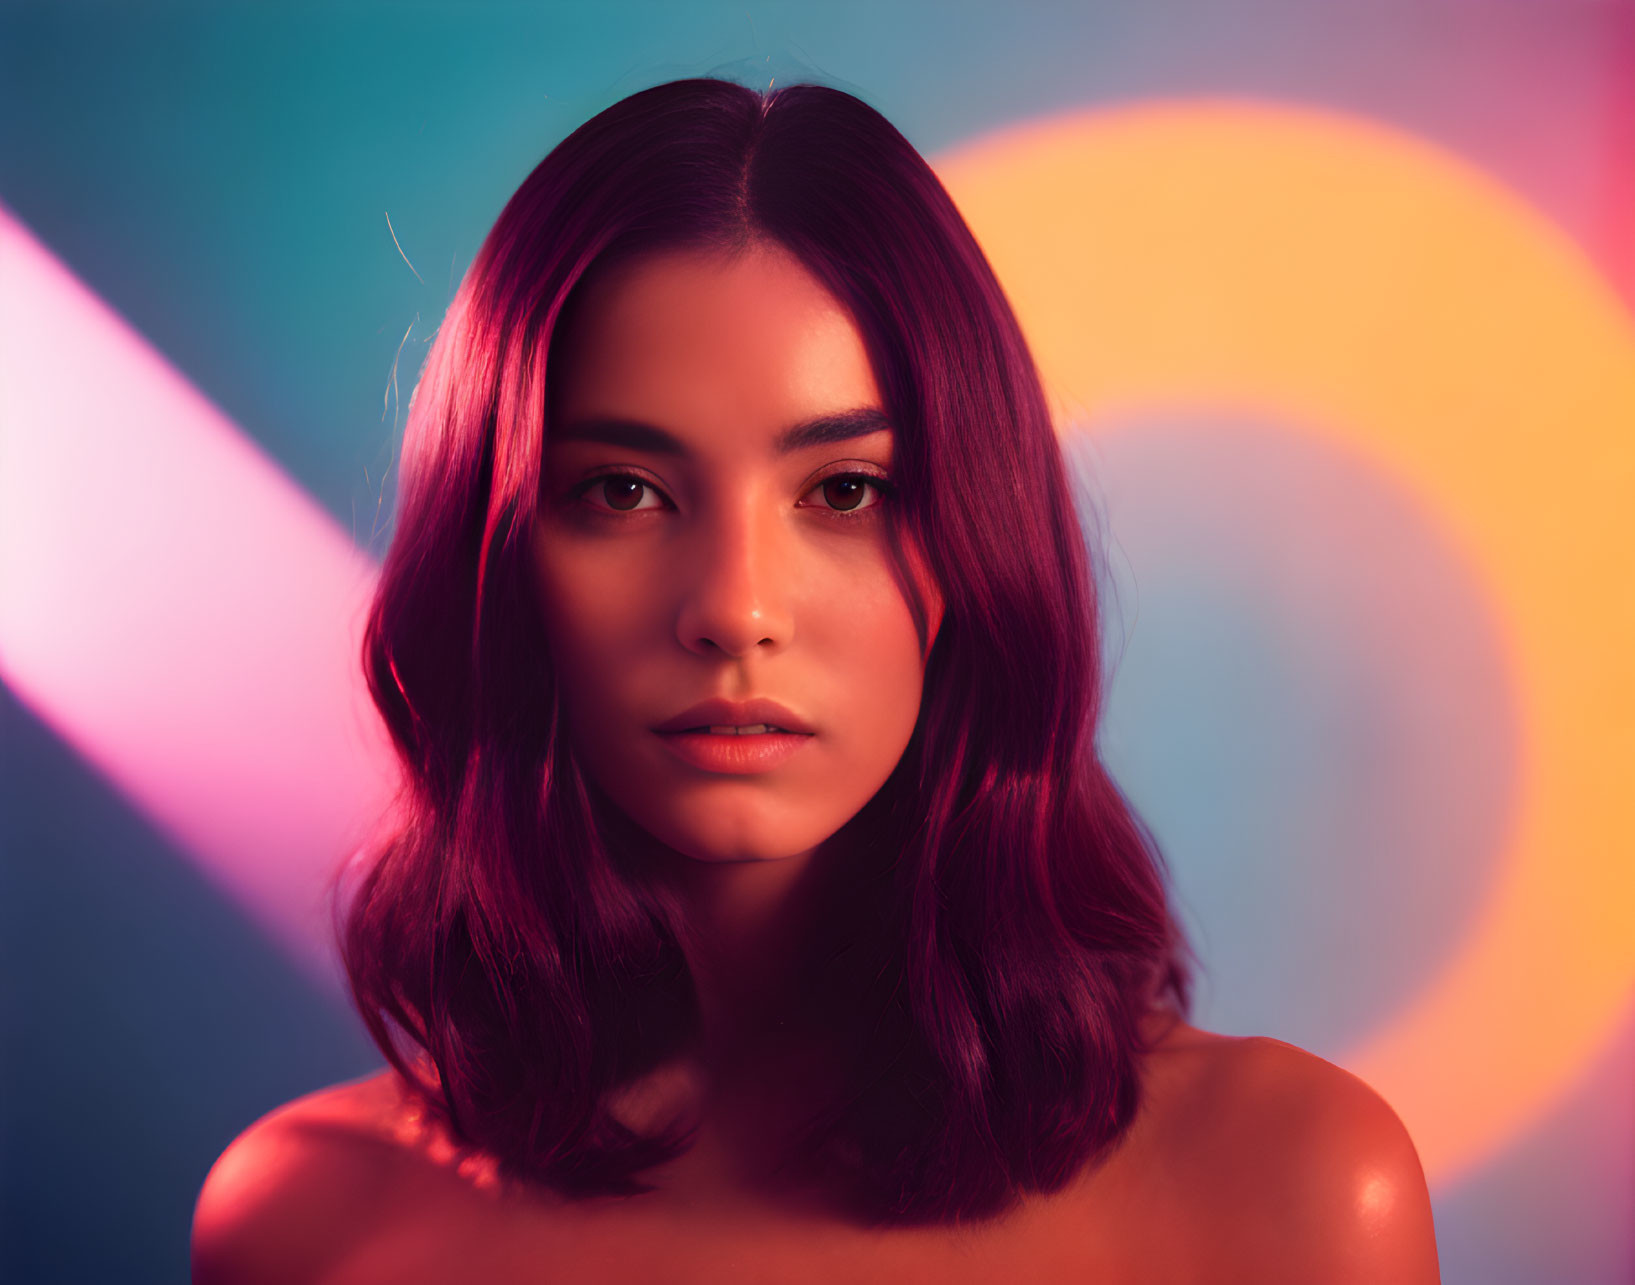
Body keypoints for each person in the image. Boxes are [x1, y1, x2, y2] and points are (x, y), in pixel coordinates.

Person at [190, 77, 1440, 1282]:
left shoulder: (1293, 1194)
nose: (735, 610)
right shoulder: (303, 1224)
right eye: (623, 492)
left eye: (845, 491)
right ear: (497, 557)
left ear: (978, 547)